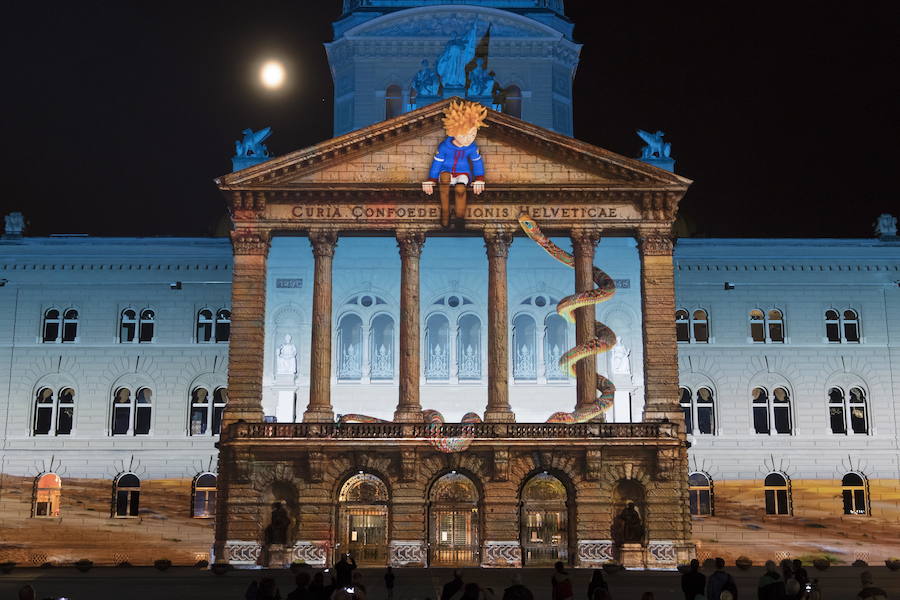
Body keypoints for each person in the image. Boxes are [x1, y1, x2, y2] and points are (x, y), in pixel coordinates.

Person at [422, 100, 488, 227]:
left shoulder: (472, 148)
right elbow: (437, 164)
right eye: (464, 135)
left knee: (460, 188)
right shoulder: (444, 147)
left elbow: (477, 163)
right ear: (453, 131)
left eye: (473, 134)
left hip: (463, 174)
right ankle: (445, 212)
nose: (469, 139)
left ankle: (459, 217)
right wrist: (432, 179)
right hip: (446, 174)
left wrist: (479, 179)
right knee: (445, 177)